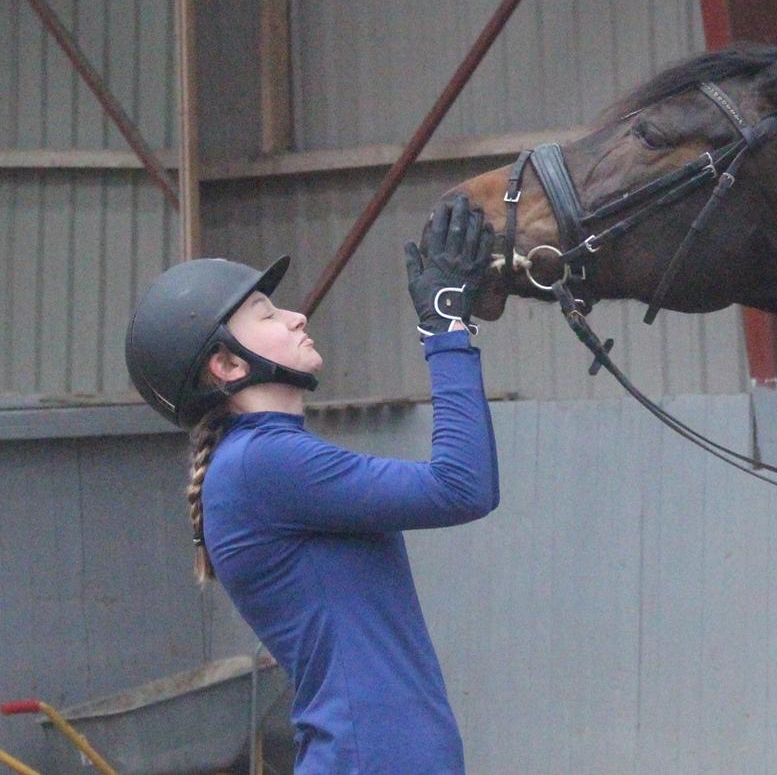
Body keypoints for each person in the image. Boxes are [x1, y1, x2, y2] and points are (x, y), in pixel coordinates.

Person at [124, 196, 499, 773]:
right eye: (267, 315)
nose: (296, 317)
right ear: (226, 365)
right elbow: (462, 486)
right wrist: (445, 324)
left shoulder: (262, 460)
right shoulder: (263, 465)